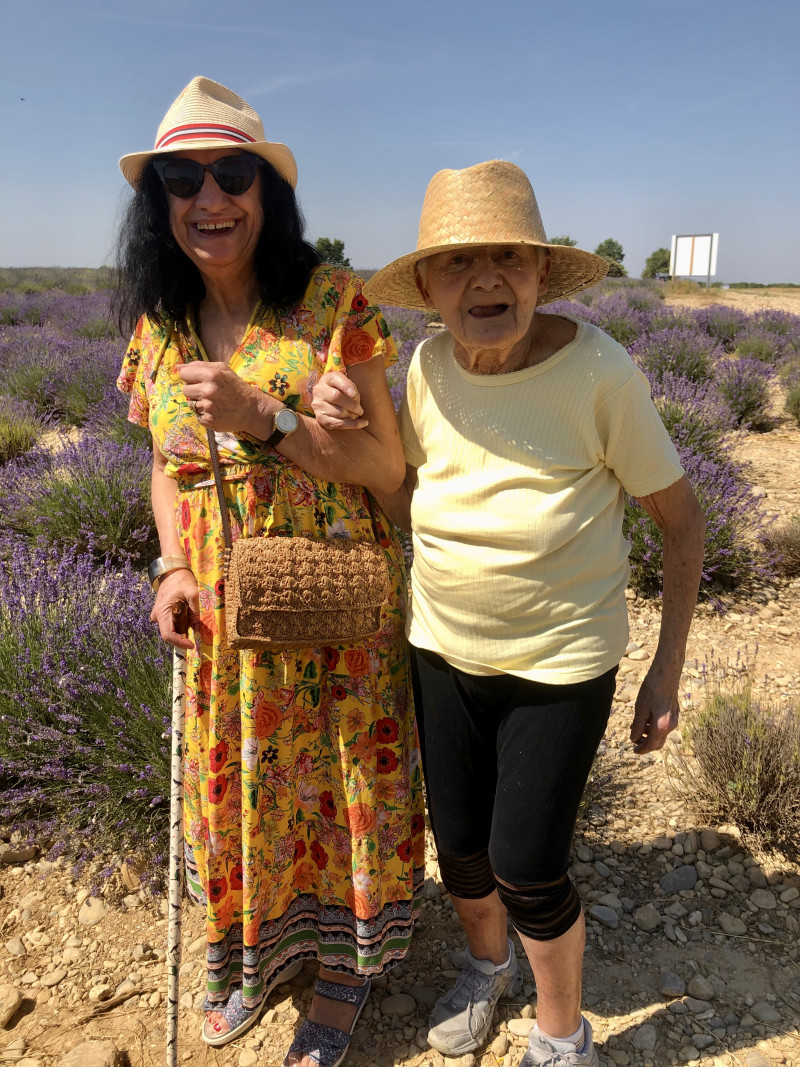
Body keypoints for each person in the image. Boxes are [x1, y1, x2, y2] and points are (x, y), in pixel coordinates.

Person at [311, 160, 706, 1067]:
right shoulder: (423, 367)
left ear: (538, 272)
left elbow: (682, 522)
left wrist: (666, 668)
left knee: (527, 864)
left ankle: (565, 1035)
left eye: (507, 259)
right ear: (431, 290)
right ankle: (489, 968)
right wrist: (338, 423)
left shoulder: (600, 373)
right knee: (461, 853)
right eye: (459, 264)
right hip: (442, 649)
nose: (485, 280)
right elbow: (411, 498)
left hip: (560, 662)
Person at [115, 76, 424, 1067]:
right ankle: (251, 953)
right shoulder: (158, 325)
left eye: (232, 172)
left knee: (340, 783)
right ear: (159, 201)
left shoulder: (334, 301)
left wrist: (270, 420)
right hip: (221, 622)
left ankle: (344, 970)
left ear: (267, 189)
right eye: (182, 177)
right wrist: (168, 565)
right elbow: (162, 467)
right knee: (236, 792)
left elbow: (390, 479)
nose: (209, 198)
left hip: (332, 611)